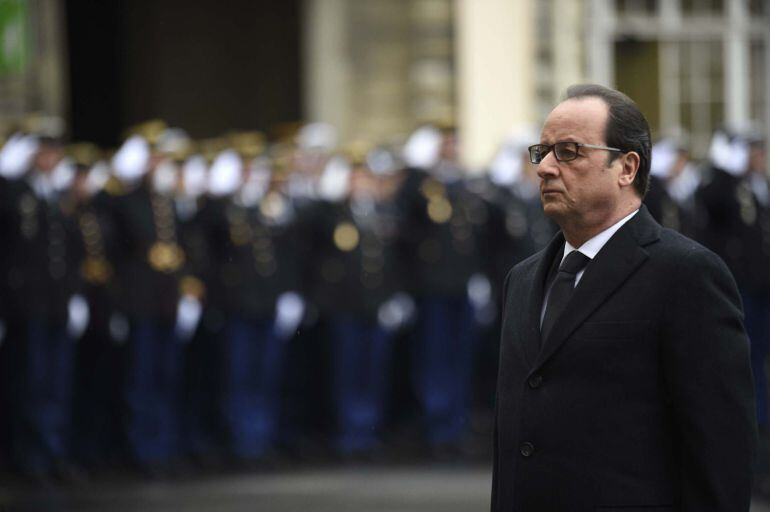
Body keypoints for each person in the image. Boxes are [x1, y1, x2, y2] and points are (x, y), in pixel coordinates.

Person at [491, 84, 756, 511]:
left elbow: (719, 450)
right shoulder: (522, 280)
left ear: (626, 167)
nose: (545, 168)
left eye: (570, 151)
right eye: (542, 152)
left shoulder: (686, 274)